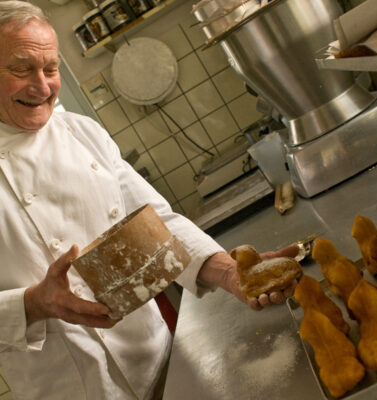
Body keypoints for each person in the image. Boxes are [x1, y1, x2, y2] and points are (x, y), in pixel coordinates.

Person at [0, 2, 299, 399]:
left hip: (159, 357)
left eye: (51, 68)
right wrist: (33, 304)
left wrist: (228, 272)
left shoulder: (81, 131)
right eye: (22, 70)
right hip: (65, 388)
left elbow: (156, 222)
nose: (42, 86)